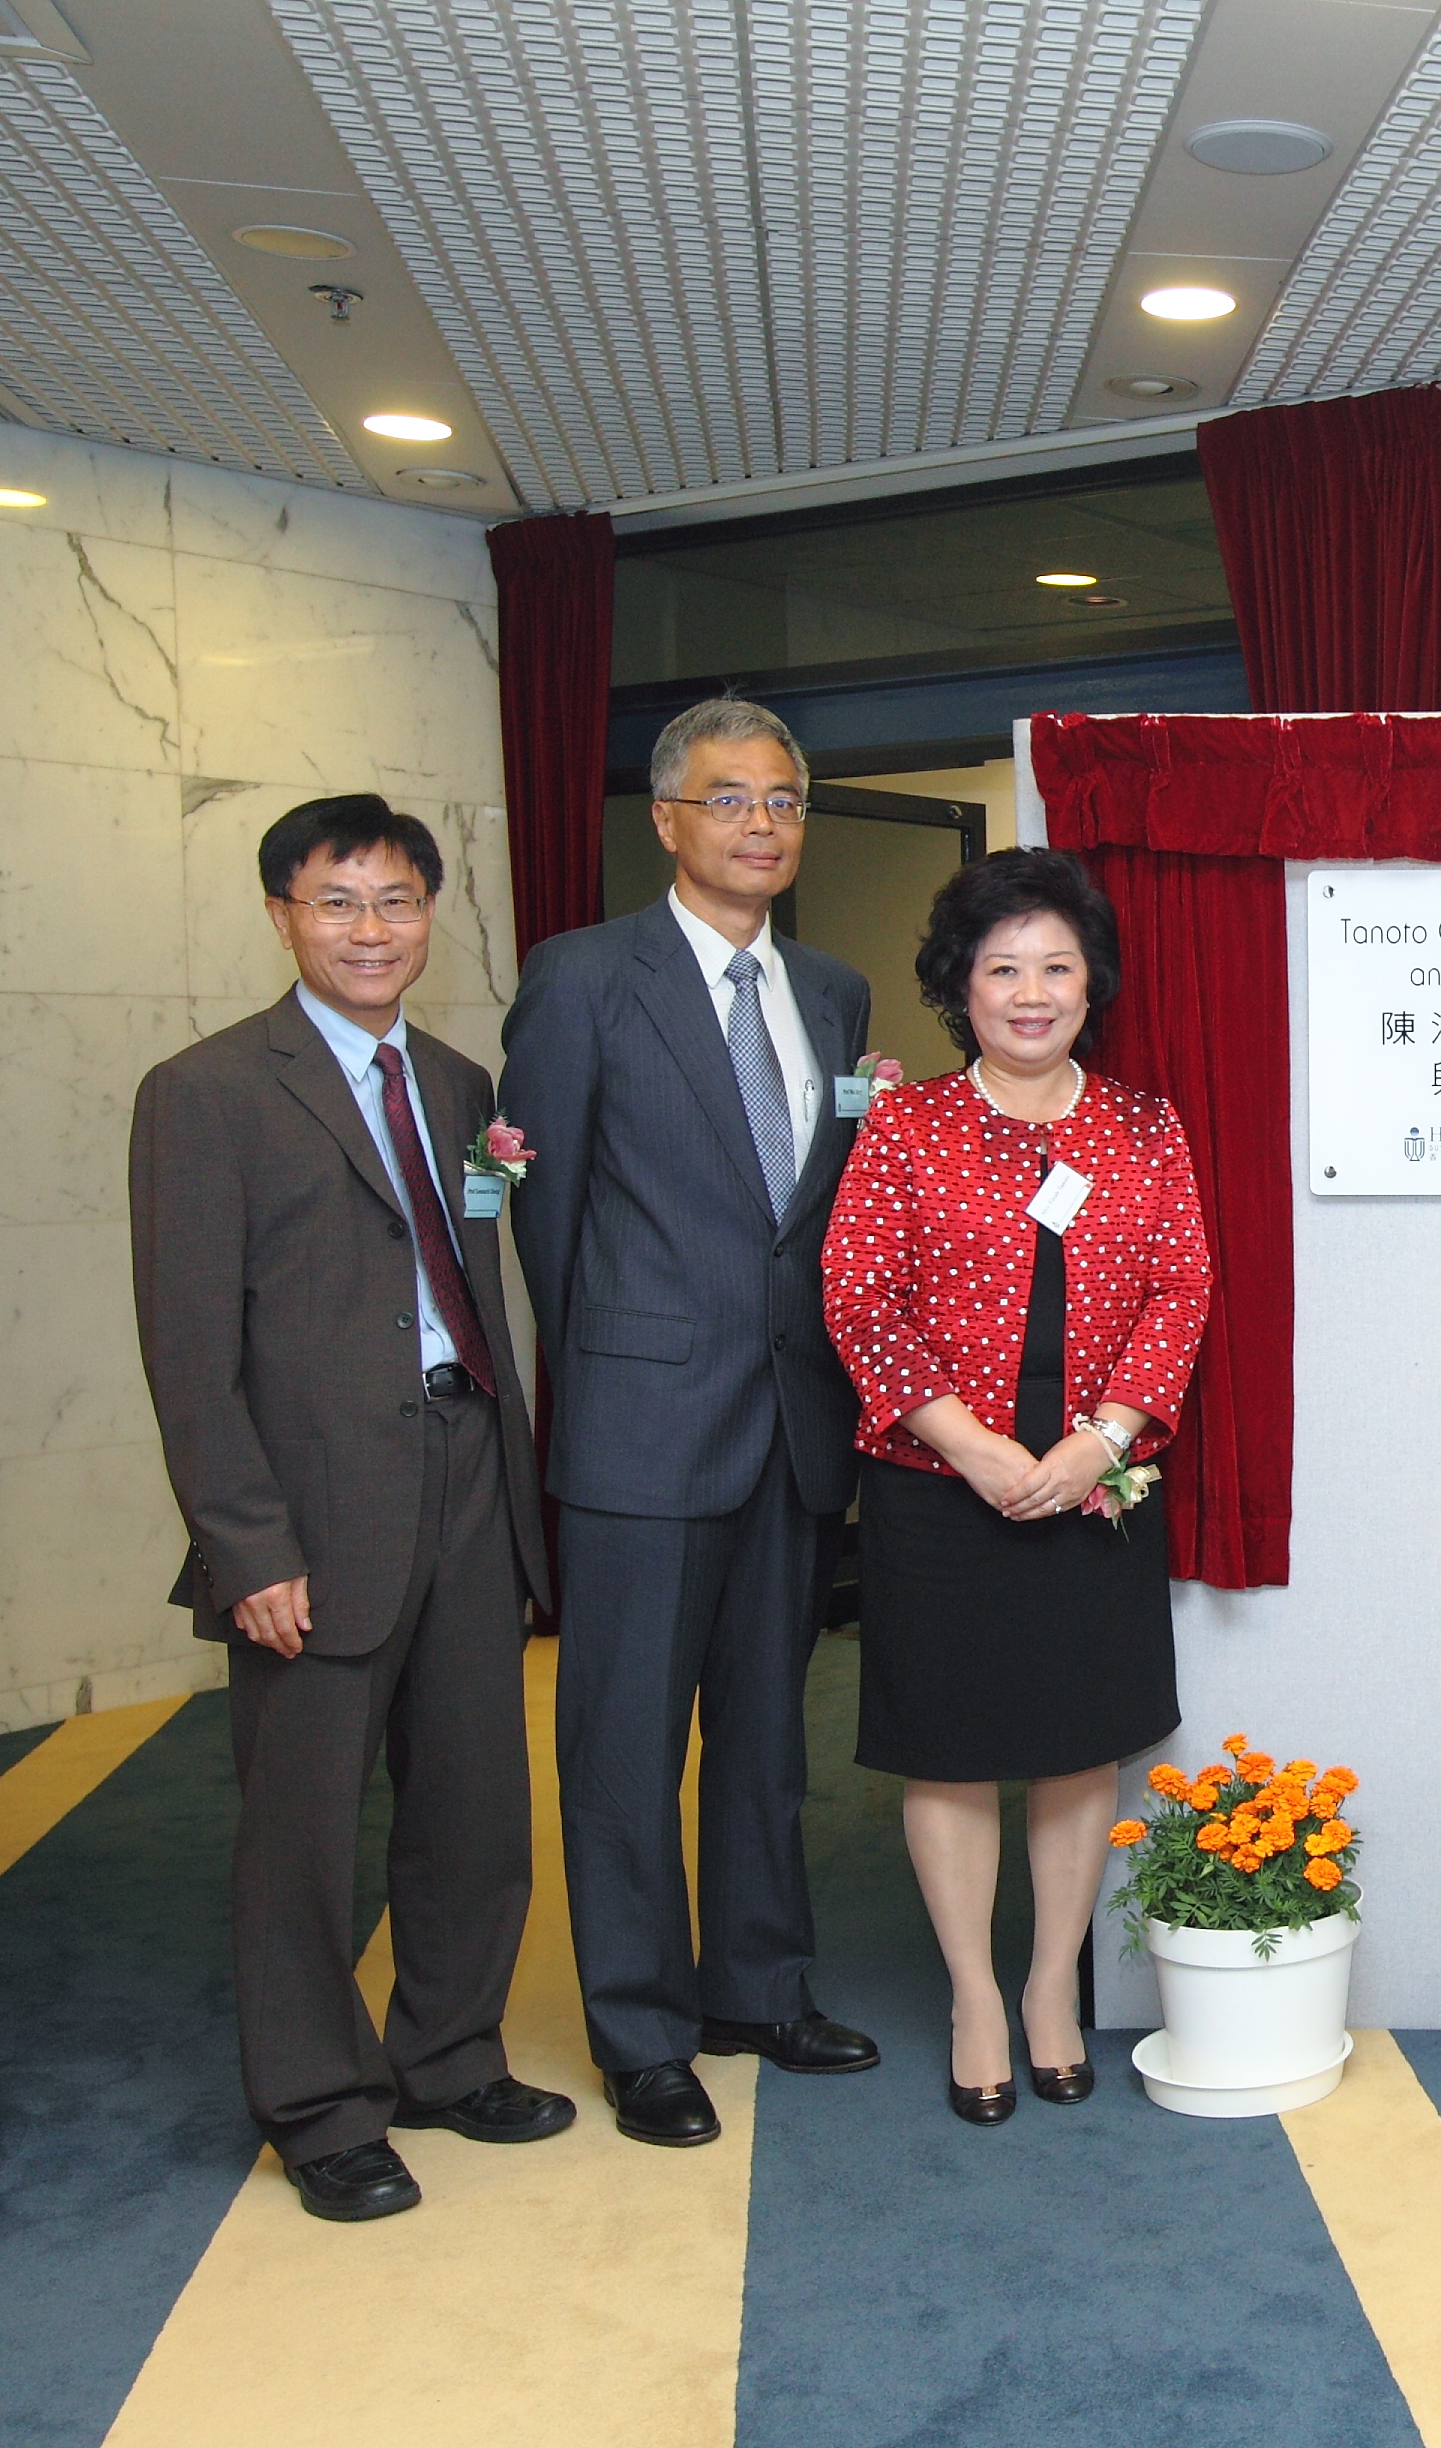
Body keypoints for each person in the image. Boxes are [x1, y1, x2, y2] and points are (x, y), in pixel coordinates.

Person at [130, 795, 566, 2221]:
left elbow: (473, 1283)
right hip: (312, 1515)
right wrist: (247, 1540)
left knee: (474, 1805)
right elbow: (189, 1352)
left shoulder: (452, 1080)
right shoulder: (205, 1093)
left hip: (464, 1480)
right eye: (337, 902)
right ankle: (320, 2105)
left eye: (396, 901)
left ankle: (447, 2055)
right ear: (281, 915)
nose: (370, 930)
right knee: (304, 1832)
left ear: (428, 914)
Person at [500, 696, 881, 2148]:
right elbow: (547, 1219)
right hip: (639, 1431)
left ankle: (760, 1991)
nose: (763, 824)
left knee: (770, 1739)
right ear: (665, 820)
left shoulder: (834, 992)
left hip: (792, 1425)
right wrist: (603, 1391)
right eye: (730, 800)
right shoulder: (584, 979)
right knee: (624, 1745)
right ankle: (644, 2030)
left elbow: (818, 1217)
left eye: (783, 799)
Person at [821, 849, 1208, 2124]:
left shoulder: (1144, 1126)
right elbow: (859, 1300)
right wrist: (973, 1449)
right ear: (960, 988)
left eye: (1055, 966)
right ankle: (974, 1996)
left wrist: (1099, 1442)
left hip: (1093, 1488)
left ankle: (1051, 1985)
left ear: (1091, 982)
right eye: (1003, 969)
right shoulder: (907, 1125)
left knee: (1071, 1747)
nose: (1031, 993)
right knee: (952, 1751)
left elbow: (1179, 1290)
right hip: (943, 1491)